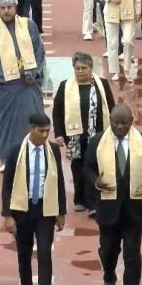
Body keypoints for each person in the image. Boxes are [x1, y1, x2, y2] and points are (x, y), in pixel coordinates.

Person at [84, 104, 142, 285]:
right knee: (108, 250)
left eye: (124, 123)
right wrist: (96, 182)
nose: (119, 127)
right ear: (110, 120)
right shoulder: (96, 142)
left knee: (132, 253)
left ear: (131, 121)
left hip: (134, 210)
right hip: (108, 209)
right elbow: (88, 168)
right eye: (115, 122)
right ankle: (109, 278)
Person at [1, 112, 66, 285]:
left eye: (48, 131)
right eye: (41, 131)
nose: (46, 135)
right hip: (22, 209)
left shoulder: (53, 150)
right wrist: (8, 214)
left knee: (45, 253)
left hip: (45, 209)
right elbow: (7, 185)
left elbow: (60, 181)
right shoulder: (14, 152)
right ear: (31, 129)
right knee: (24, 252)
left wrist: (61, 212)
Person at [0, 0, 45, 172]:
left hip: (28, 84)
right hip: (5, 86)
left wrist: (33, 72)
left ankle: (34, 155)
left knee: (33, 119)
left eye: (9, 7)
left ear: (15, 7)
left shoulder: (28, 25)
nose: (6, 11)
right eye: (2, 8)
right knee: (7, 124)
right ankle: (7, 158)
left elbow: (39, 51)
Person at [52, 52, 116, 216]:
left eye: (84, 68)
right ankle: (79, 199)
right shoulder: (65, 86)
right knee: (78, 168)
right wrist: (59, 133)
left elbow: (111, 106)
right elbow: (57, 111)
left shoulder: (101, 84)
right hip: (74, 136)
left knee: (94, 167)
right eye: (77, 68)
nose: (80, 71)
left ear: (91, 68)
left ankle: (93, 202)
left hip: (98, 135)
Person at [98, 0, 142, 85]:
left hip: (128, 10)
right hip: (111, 10)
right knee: (112, 42)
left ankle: (128, 69)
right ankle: (115, 70)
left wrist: (138, 11)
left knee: (128, 40)